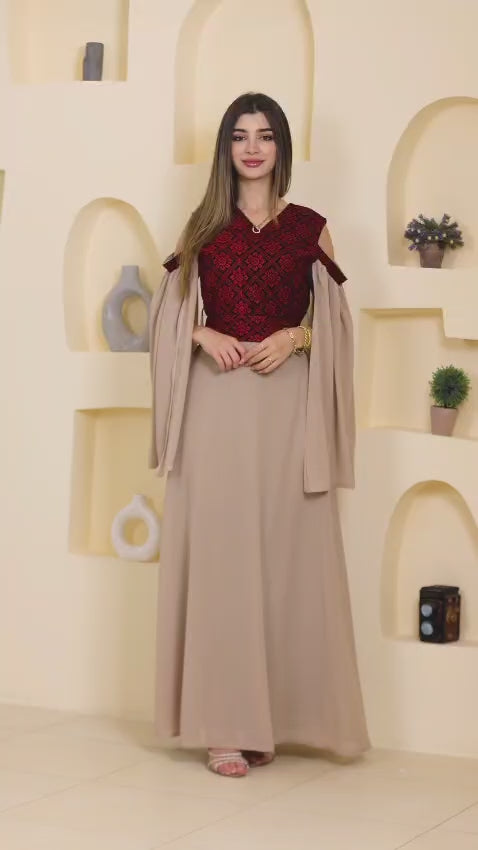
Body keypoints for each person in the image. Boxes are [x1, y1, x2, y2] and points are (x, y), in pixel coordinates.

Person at [149, 92, 370, 778]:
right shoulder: (203, 228)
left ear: (281, 148)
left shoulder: (310, 229)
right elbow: (166, 314)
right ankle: (224, 726)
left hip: (287, 410)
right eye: (240, 135)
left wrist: (295, 337)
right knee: (223, 561)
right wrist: (201, 333)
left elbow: (336, 323)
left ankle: (265, 721)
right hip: (217, 408)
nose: (252, 147)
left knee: (285, 562)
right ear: (226, 147)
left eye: (265, 135)